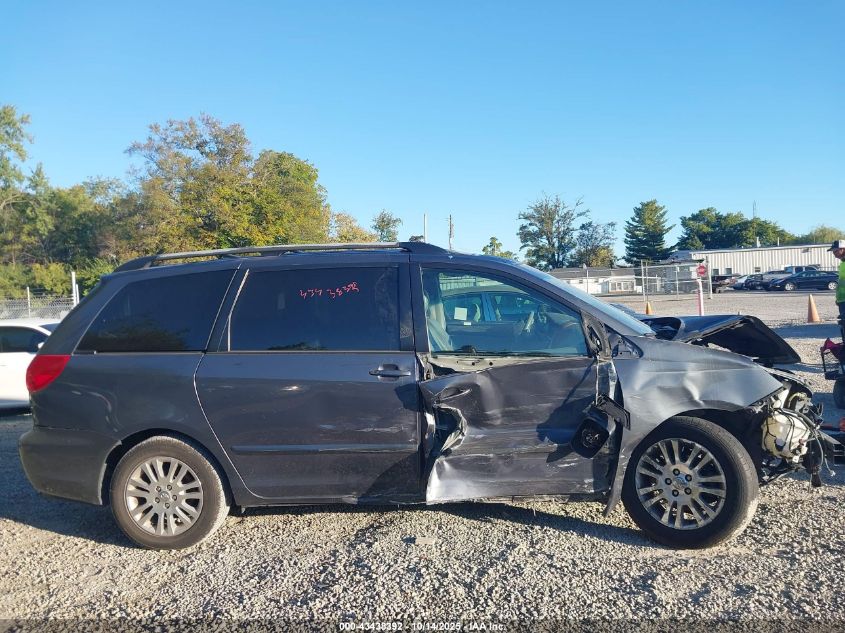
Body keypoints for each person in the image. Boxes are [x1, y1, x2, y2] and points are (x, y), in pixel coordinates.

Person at [830, 239, 845, 342]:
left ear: (843, 249)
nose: (834, 253)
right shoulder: (842, 264)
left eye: (835, 251)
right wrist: (838, 298)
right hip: (842, 300)